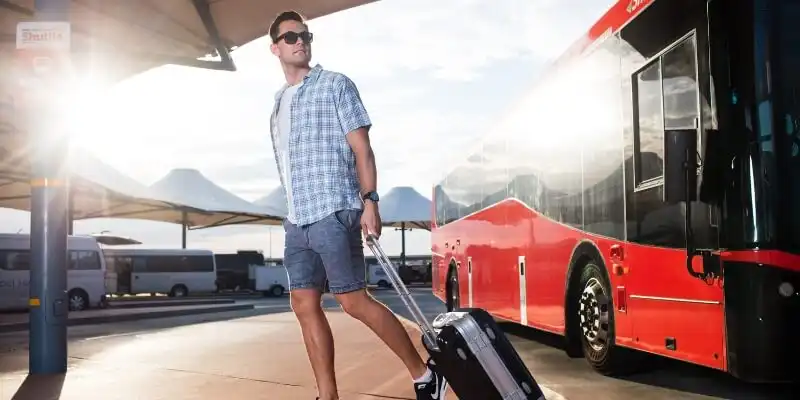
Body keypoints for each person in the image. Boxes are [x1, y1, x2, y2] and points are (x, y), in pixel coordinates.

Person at [267, 10, 449, 400]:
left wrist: (370, 201)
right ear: (275, 48)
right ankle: (328, 395)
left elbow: (362, 149)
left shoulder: (335, 85)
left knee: (352, 301)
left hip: (334, 209)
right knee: (303, 303)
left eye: (305, 35)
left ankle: (424, 374)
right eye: (291, 37)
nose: (301, 41)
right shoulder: (278, 103)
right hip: (297, 220)